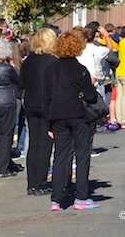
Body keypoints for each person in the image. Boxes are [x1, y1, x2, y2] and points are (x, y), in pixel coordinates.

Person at [43, 31, 101, 211]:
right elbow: (90, 96)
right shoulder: (80, 70)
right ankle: (81, 197)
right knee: (82, 155)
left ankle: (56, 199)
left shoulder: (51, 69)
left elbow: (46, 97)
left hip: (57, 116)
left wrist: (48, 123)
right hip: (78, 115)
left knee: (60, 156)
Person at [19, 29, 58, 193]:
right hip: (46, 105)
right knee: (45, 145)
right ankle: (41, 182)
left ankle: (32, 183)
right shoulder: (53, 62)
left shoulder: (28, 61)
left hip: (30, 104)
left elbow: (22, 82)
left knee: (33, 144)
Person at [0, 39, 22, 178]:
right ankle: (3, 168)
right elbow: (20, 81)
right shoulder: (8, 69)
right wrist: (13, 65)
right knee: (6, 136)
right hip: (6, 101)